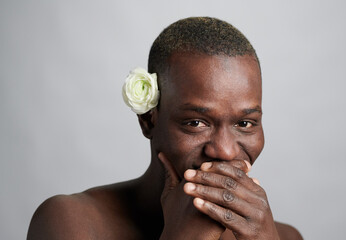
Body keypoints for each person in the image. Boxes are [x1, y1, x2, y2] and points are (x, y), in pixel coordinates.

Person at [27, 17, 303, 240]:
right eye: (196, 123)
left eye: (244, 124)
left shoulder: (284, 236)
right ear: (148, 120)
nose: (225, 151)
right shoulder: (72, 223)